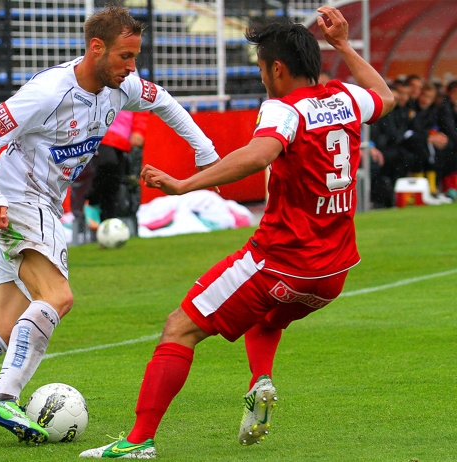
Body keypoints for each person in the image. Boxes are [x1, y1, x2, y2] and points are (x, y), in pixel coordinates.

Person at [0, 5, 219, 444]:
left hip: (36, 205)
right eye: (124, 56)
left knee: (6, 323)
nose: (131, 67)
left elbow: (164, 104)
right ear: (96, 48)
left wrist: (206, 151)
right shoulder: (48, 91)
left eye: (135, 57)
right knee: (58, 297)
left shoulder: (123, 86)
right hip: (20, 200)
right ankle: (4, 395)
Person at [80, 6, 394, 458]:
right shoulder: (346, 97)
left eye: (263, 69)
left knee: (179, 328)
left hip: (279, 260)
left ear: (278, 69)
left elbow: (258, 155)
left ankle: (137, 442)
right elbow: (386, 96)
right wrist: (343, 44)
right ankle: (259, 381)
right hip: (333, 272)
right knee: (265, 318)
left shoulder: (283, 110)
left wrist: (185, 184)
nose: (262, 78)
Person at [70, 107, 148, 243]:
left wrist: (139, 130)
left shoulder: (133, 85)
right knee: (108, 164)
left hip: (123, 136)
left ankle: (107, 231)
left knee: (114, 185)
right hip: (99, 131)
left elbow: (141, 104)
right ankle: (91, 200)